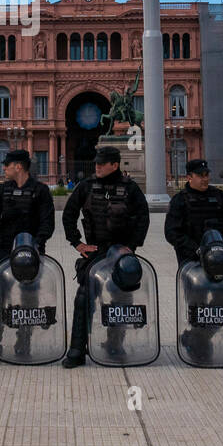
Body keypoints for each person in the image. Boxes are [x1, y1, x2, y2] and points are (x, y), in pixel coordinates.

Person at [60, 145, 150, 368]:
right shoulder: (87, 186)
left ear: (115, 165)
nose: (97, 166)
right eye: (96, 163)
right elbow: (68, 214)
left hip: (121, 252)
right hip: (96, 250)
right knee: (83, 298)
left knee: (121, 299)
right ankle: (77, 350)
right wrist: (77, 243)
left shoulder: (129, 187)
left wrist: (131, 246)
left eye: (102, 163)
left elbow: (143, 217)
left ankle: (115, 345)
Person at [0, 149, 56, 365]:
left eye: (7, 165)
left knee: (28, 300)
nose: (3, 168)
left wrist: (37, 245)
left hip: (31, 253)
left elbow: (47, 223)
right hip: (4, 252)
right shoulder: (2, 191)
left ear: (18, 166)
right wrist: (5, 215)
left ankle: (24, 343)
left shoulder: (39, 191)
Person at [166, 158, 223, 363]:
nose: (205, 178)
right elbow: (172, 233)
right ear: (189, 177)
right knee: (197, 306)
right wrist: (198, 250)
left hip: (220, 263)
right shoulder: (180, 201)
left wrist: (221, 250)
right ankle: (200, 347)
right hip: (192, 264)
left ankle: (198, 337)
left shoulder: (220, 198)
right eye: (200, 175)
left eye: (207, 174)